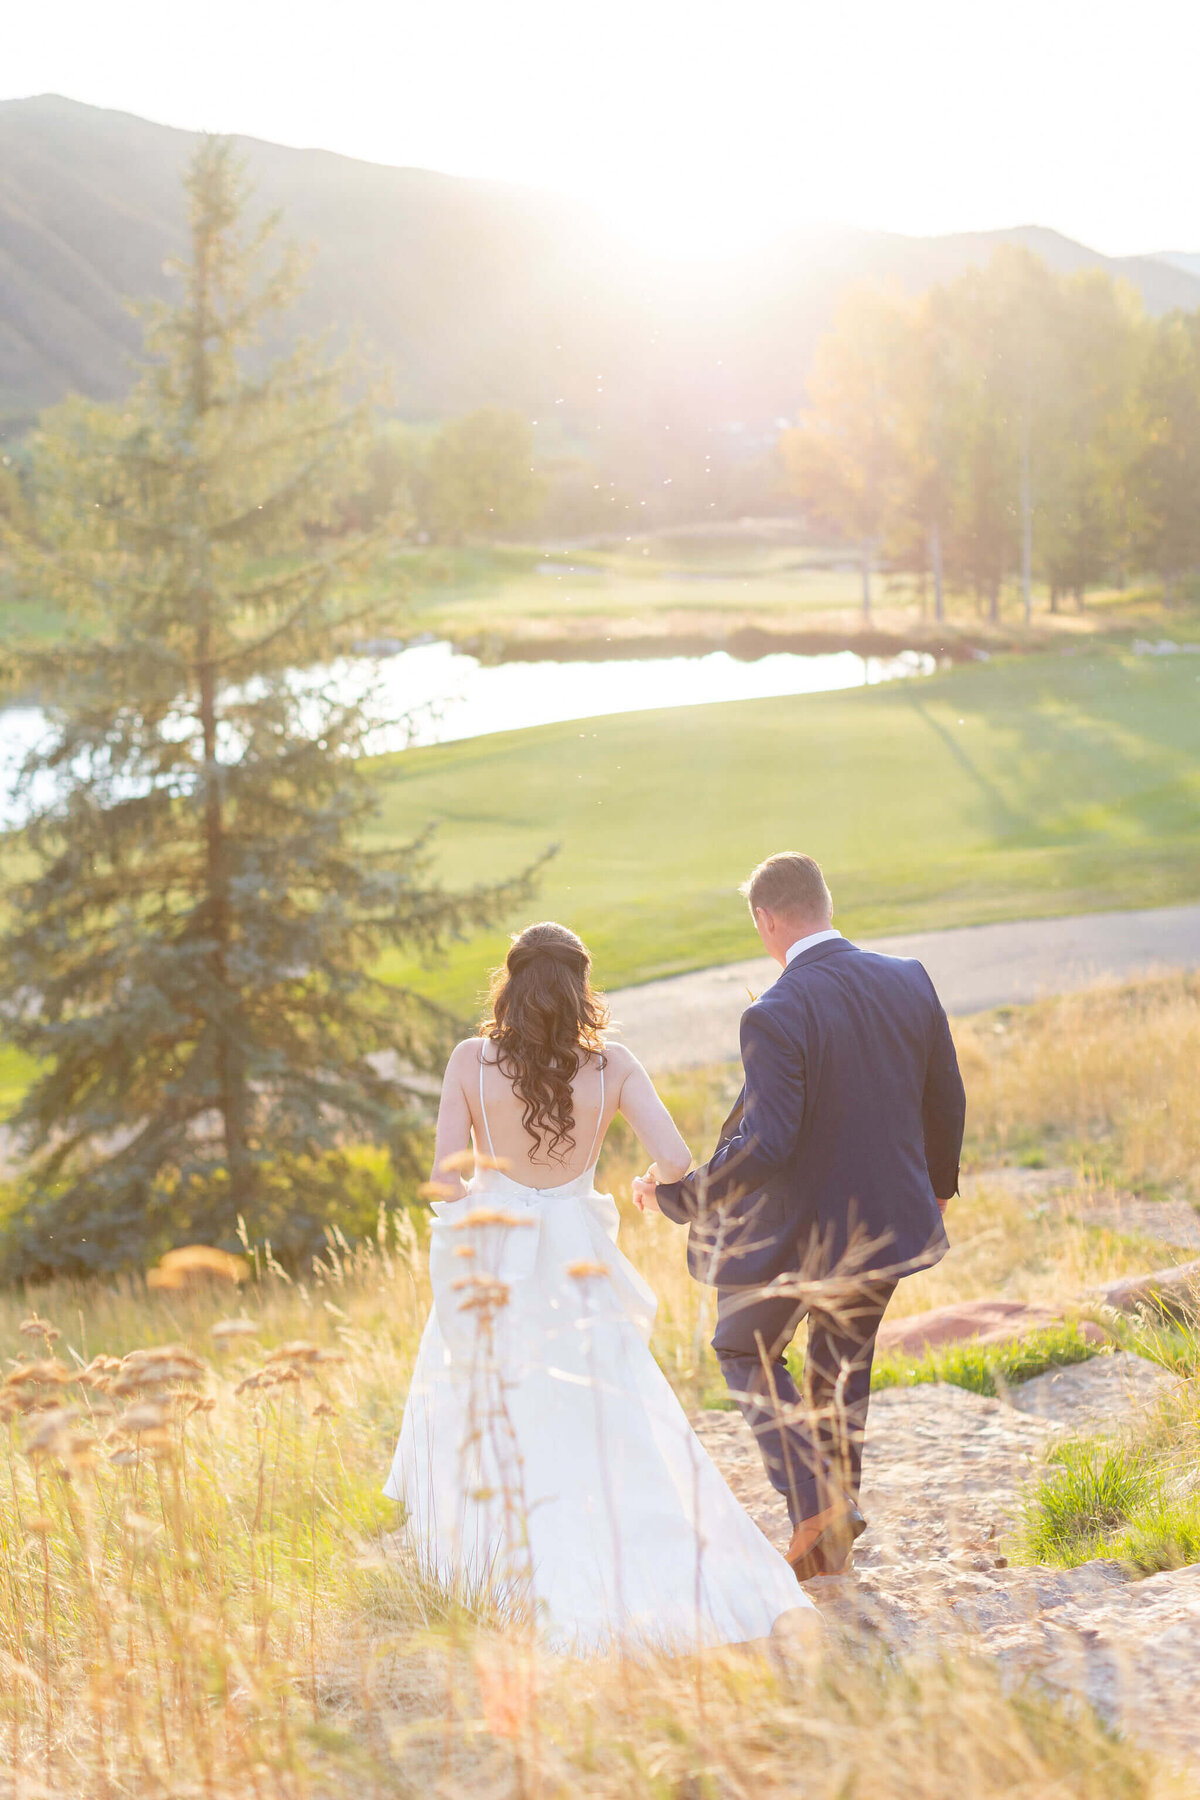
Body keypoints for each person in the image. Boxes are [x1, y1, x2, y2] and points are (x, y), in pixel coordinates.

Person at [384, 920, 810, 1653]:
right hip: (578, 1261)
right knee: (607, 1415)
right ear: (581, 987)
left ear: (510, 984)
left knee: (498, 1408)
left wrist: (488, 1198)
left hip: (498, 1259)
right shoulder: (612, 1066)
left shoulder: (468, 1061)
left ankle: (493, 1568)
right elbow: (676, 1160)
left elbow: (447, 1181)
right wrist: (648, 1184)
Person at [634, 853, 965, 1582]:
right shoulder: (908, 977)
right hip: (892, 1225)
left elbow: (768, 1143)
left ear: (767, 920)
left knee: (742, 1348)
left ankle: (816, 1508)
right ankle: (828, 1534)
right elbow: (947, 1097)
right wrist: (938, 1187)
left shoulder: (775, 1011)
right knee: (839, 1369)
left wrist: (680, 1197)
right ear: (824, 902)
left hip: (802, 1238)